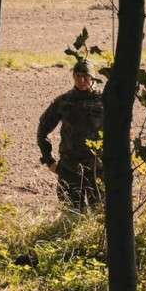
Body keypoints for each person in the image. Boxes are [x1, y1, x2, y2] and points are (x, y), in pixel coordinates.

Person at [37, 59, 105, 211]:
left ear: (93, 77)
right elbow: (42, 131)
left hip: (98, 170)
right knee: (70, 216)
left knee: (101, 218)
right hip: (69, 169)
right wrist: (49, 161)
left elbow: (123, 132)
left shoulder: (105, 100)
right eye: (78, 75)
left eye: (86, 76)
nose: (82, 80)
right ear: (73, 76)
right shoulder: (63, 102)